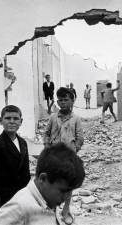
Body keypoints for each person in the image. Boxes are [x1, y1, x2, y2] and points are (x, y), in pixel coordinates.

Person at [0, 143, 85, 225]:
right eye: (63, 191)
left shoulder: (47, 200)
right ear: (43, 179)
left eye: (70, 191)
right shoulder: (20, 207)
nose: (66, 197)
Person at [43, 87, 84, 224]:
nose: (63, 103)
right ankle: (53, 210)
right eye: (60, 100)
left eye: (66, 100)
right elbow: (46, 134)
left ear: (72, 101)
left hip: (69, 158)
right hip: (54, 157)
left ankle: (66, 209)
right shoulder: (53, 117)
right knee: (53, 182)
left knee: (68, 184)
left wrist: (74, 150)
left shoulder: (76, 119)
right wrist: (48, 147)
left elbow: (80, 138)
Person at [0, 105, 30, 208]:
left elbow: (26, 173)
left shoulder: (23, 143)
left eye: (16, 118)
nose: (12, 121)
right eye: (8, 118)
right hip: (4, 200)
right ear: (0, 120)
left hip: (21, 197)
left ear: (21, 121)